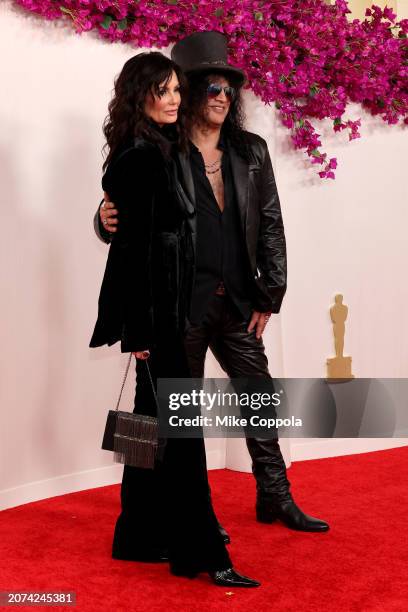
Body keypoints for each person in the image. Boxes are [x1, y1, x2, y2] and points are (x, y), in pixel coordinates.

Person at [95, 32, 329, 535]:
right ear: (187, 89)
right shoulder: (161, 149)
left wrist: (272, 292)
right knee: (177, 415)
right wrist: (102, 217)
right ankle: (190, 514)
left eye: (229, 89)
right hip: (181, 304)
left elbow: (271, 224)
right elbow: (129, 221)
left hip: (239, 300)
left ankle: (275, 494)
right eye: (210, 88)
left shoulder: (252, 152)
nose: (222, 96)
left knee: (259, 396)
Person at [89, 51, 260, 587]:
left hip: (172, 311)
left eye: (175, 92)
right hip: (159, 319)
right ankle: (201, 551)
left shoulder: (160, 150)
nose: (172, 101)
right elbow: (133, 253)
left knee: (154, 426)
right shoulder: (140, 158)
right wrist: (139, 330)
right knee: (183, 438)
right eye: (161, 91)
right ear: (138, 94)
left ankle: (138, 536)